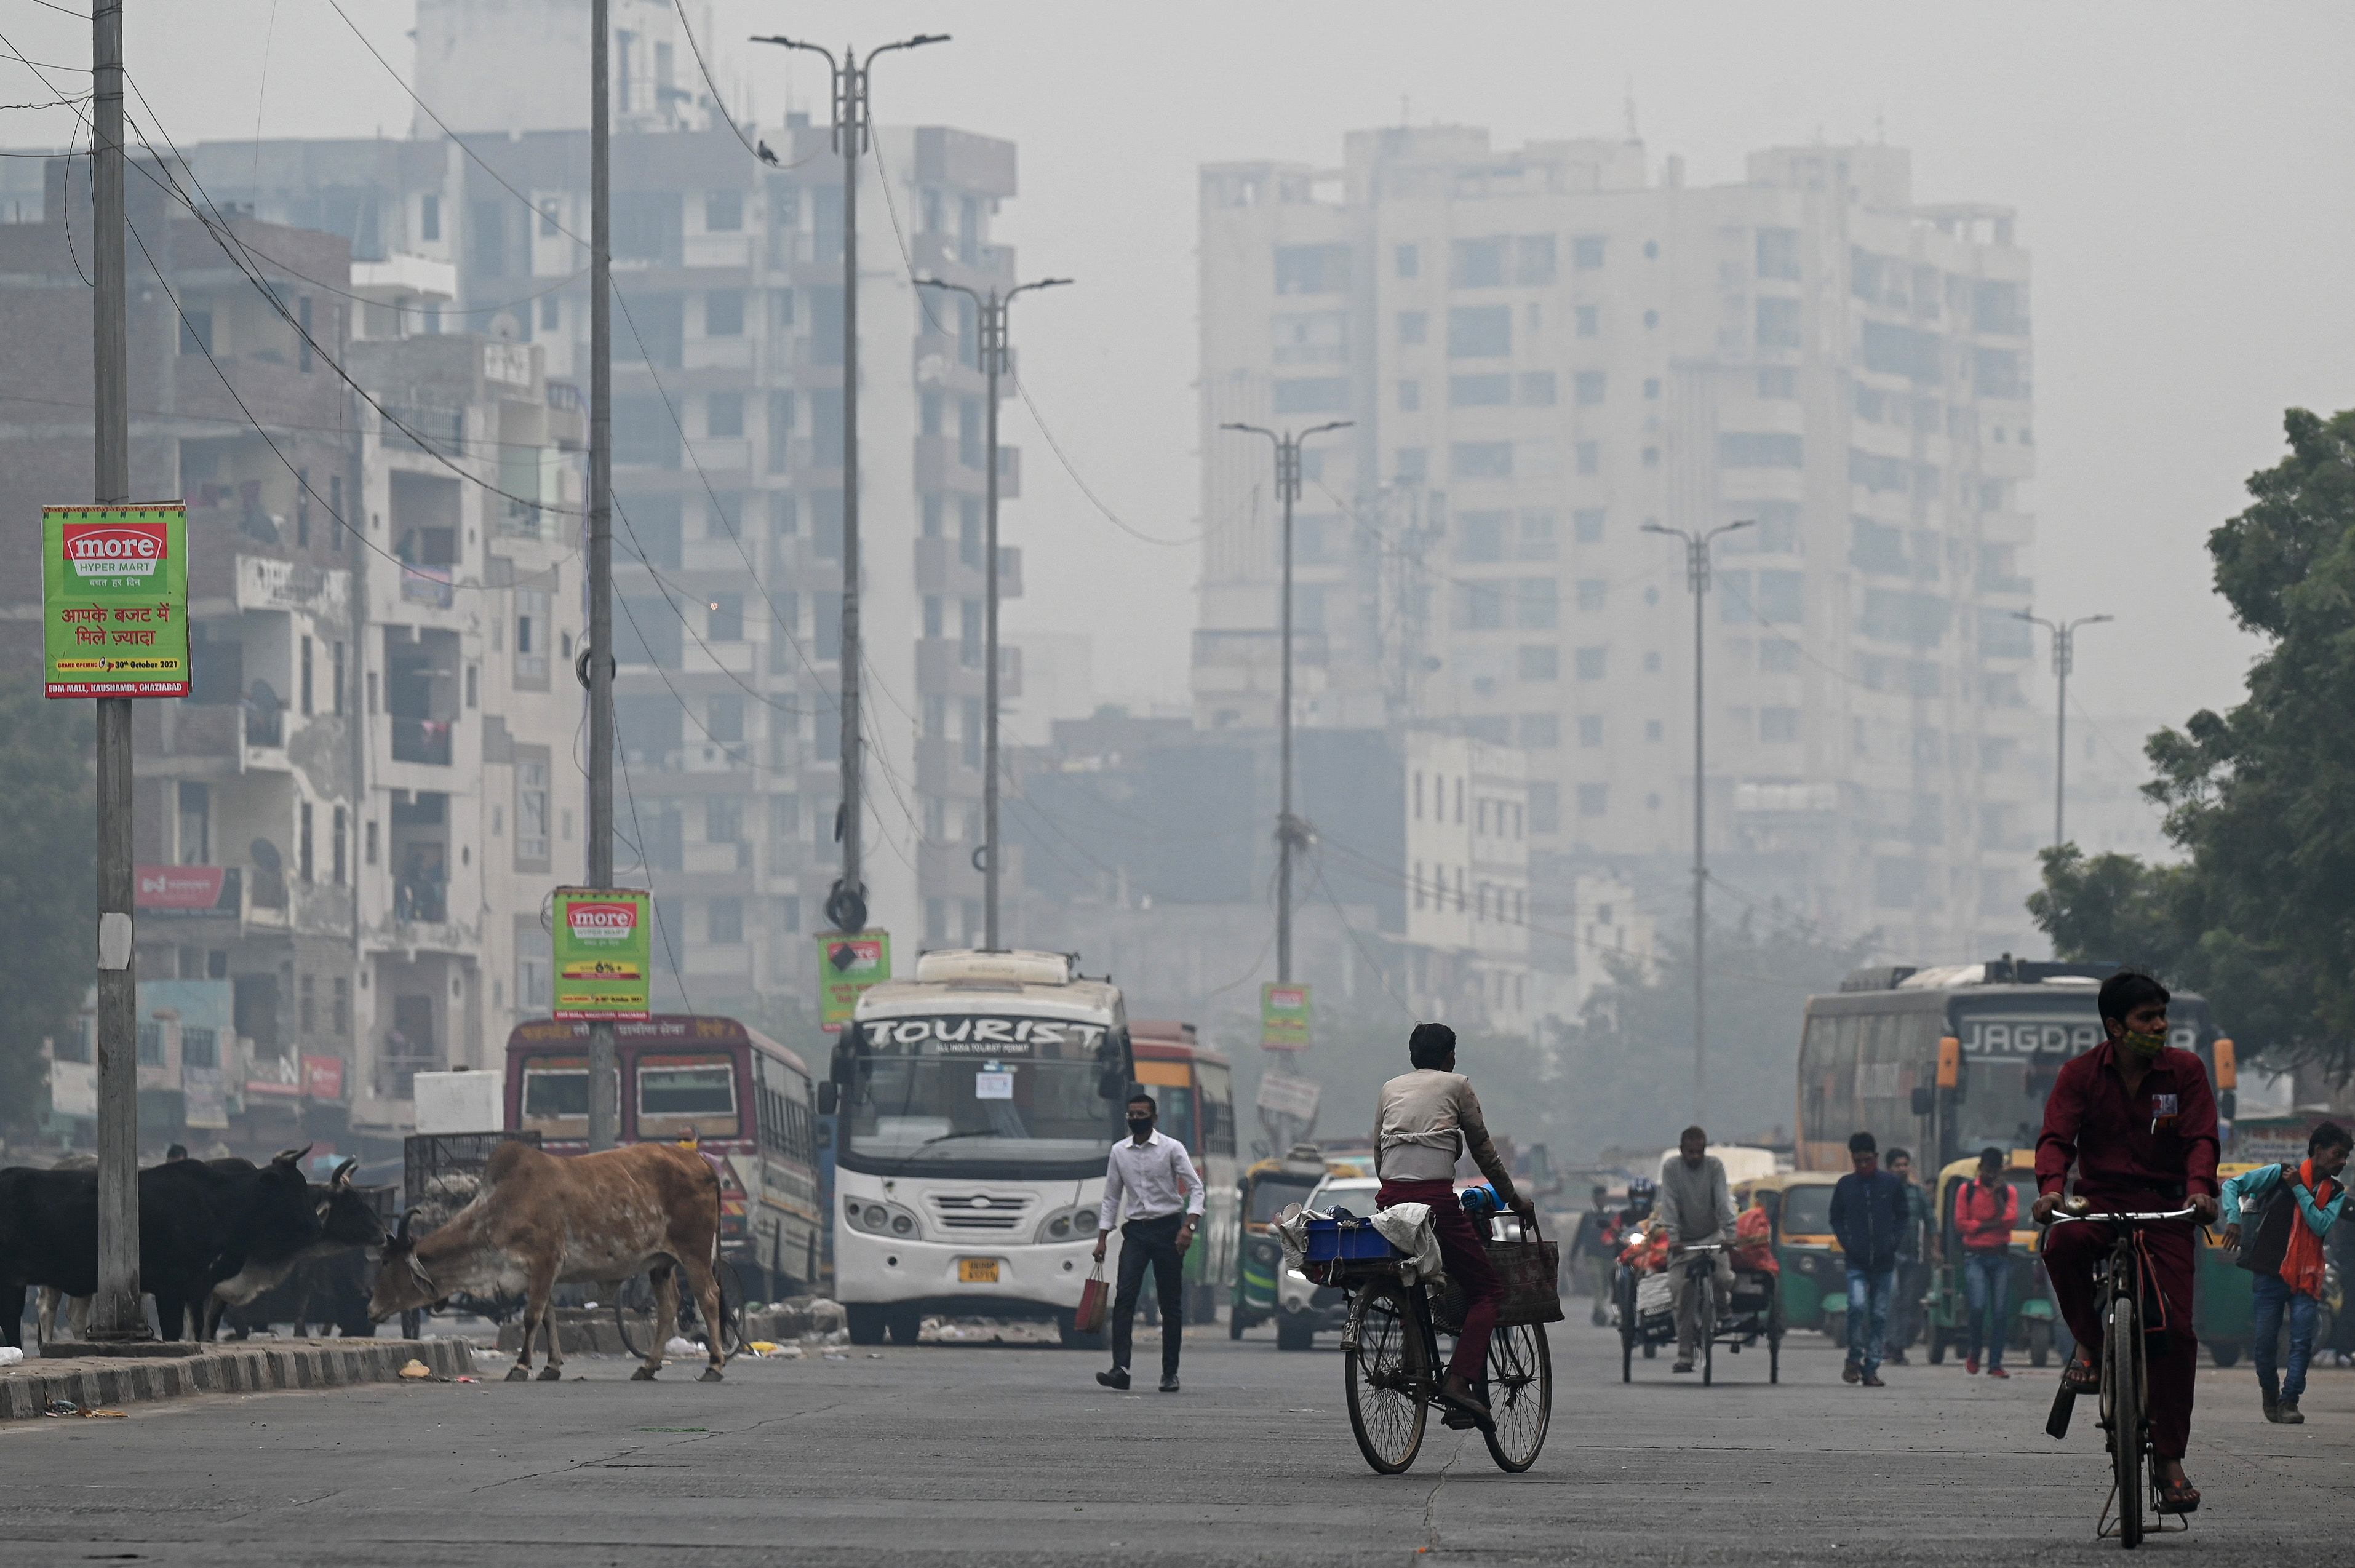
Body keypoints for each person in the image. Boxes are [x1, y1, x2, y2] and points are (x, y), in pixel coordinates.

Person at [2034, 969, 2219, 1515]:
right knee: (2060, 1246)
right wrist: (2050, 1191)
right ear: (2116, 1026)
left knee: (2178, 1332)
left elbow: (2201, 1139)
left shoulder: (2186, 1071)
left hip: (2166, 1208)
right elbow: (2055, 1139)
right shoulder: (2079, 1074)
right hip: (2099, 1202)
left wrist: (2199, 1191)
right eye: (2147, 1018)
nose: (2160, 1026)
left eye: (2163, 1016)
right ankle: (2089, 1343)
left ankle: (2169, 1461)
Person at [1374, 1021, 1533, 1431]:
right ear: (1451, 1058)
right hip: (1437, 1203)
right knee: (1487, 1289)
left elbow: (1380, 1153)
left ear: (1412, 1057)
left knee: (1412, 1279)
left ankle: (1414, 1360)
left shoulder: (1390, 1088)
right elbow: (1483, 1149)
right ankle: (1459, 1381)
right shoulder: (1457, 1085)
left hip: (1390, 1201)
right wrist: (1514, 1198)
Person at [2219, 1120, 2349, 1424]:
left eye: (2346, 1157)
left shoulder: (2336, 1192)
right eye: (2338, 1154)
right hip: (2269, 1272)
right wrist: (2234, 1219)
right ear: (2318, 1150)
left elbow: (2319, 1225)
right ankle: (2270, 1391)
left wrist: (2299, 1191)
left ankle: (2290, 1400)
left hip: (2308, 1274)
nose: (2342, 1162)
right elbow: (2232, 1185)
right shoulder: (2279, 1174)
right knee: (2265, 1341)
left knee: (2302, 1340)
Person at [1092, 1092, 1204, 1394]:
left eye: (1142, 1114)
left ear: (1154, 1118)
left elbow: (1196, 1189)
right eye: (1132, 1114)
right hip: (1136, 1232)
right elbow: (1112, 1197)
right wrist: (1102, 1239)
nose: (1136, 1119)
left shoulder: (1171, 1148)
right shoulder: (1119, 1152)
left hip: (1168, 1229)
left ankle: (1170, 1373)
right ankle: (1121, 1369)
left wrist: (1188, 1226)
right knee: (1125, 1296)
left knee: (1170, 1304)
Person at [1829, 1131, 1908, 1387]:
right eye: (1858, 1161)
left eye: (1867, 1160)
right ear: (1853, 1160)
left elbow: (1903, 1217)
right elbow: (1836, 1219)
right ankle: (1854, 1358)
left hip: (1884, 1262)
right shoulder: (1845, 1186)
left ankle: (1871, 1368)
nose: (1863, 1166)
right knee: (1857, 1307)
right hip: (1857, 1262)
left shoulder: (1891, 1185)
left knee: (1879, 1315)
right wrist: (1848, 1243)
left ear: (1875, 1157)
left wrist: (1893, 1242)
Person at [1656, 1126, 1735, 1375]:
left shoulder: (1714, 1167)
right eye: (1690, 1152)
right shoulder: (1671, 1169)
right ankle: (1685, 1355)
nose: (1695, 1157)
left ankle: (1723, 1307)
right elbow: (1668, 1203)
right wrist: (1673, 1237)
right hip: (1684, 1242)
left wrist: (1731, 1234)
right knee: (1681, 1292)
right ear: (1682, 1151)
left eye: (1699, 1152)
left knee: (1724, 1278)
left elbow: (1723, 1200)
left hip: (1712, 1236)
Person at [1953, 1145, 2019, 1378]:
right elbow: (1962, 1223)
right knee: (1978, 1306)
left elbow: (2010, 1221)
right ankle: (1975, 1353)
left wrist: (1999, 1199)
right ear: (1981, 1168)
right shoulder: (1966, 1190)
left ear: (2000, 1171)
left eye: (1995, 1172)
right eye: (1988, 1171)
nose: (1991, 1176)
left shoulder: (2009, 1191)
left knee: (2001, 1312)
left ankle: (1995, 1362)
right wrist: (1991, 1225)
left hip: (2000, 1257)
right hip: (1975, 1257)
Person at [1884, 1147, 1929, 1365]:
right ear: (1889, 1169)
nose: (1902, 1169)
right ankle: (1889, 1343)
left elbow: (1931, 1222)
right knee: (1892, 1297)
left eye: (1905, 1165)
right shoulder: (1882, 1191)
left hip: (1912, 1256)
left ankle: (1898, 1347)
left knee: (1907, 1302)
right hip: (1888, 1256)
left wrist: (1936, 1251)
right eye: (1897, 1166)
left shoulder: (1917, 1193)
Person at [1576, 1185, 1619, 1326]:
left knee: (1606, 1287)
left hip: (1610, 1256)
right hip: (1593, 1256)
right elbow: (1579, 1237)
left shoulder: (1614, 1217)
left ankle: (1600, 1310)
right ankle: (1600, 1312)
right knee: (1597, 1283)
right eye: (1598, 1198)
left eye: (1603, 1197)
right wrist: (1572, 1257)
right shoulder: (1588, 1216)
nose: (1600, 1200)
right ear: (1594, 1199)